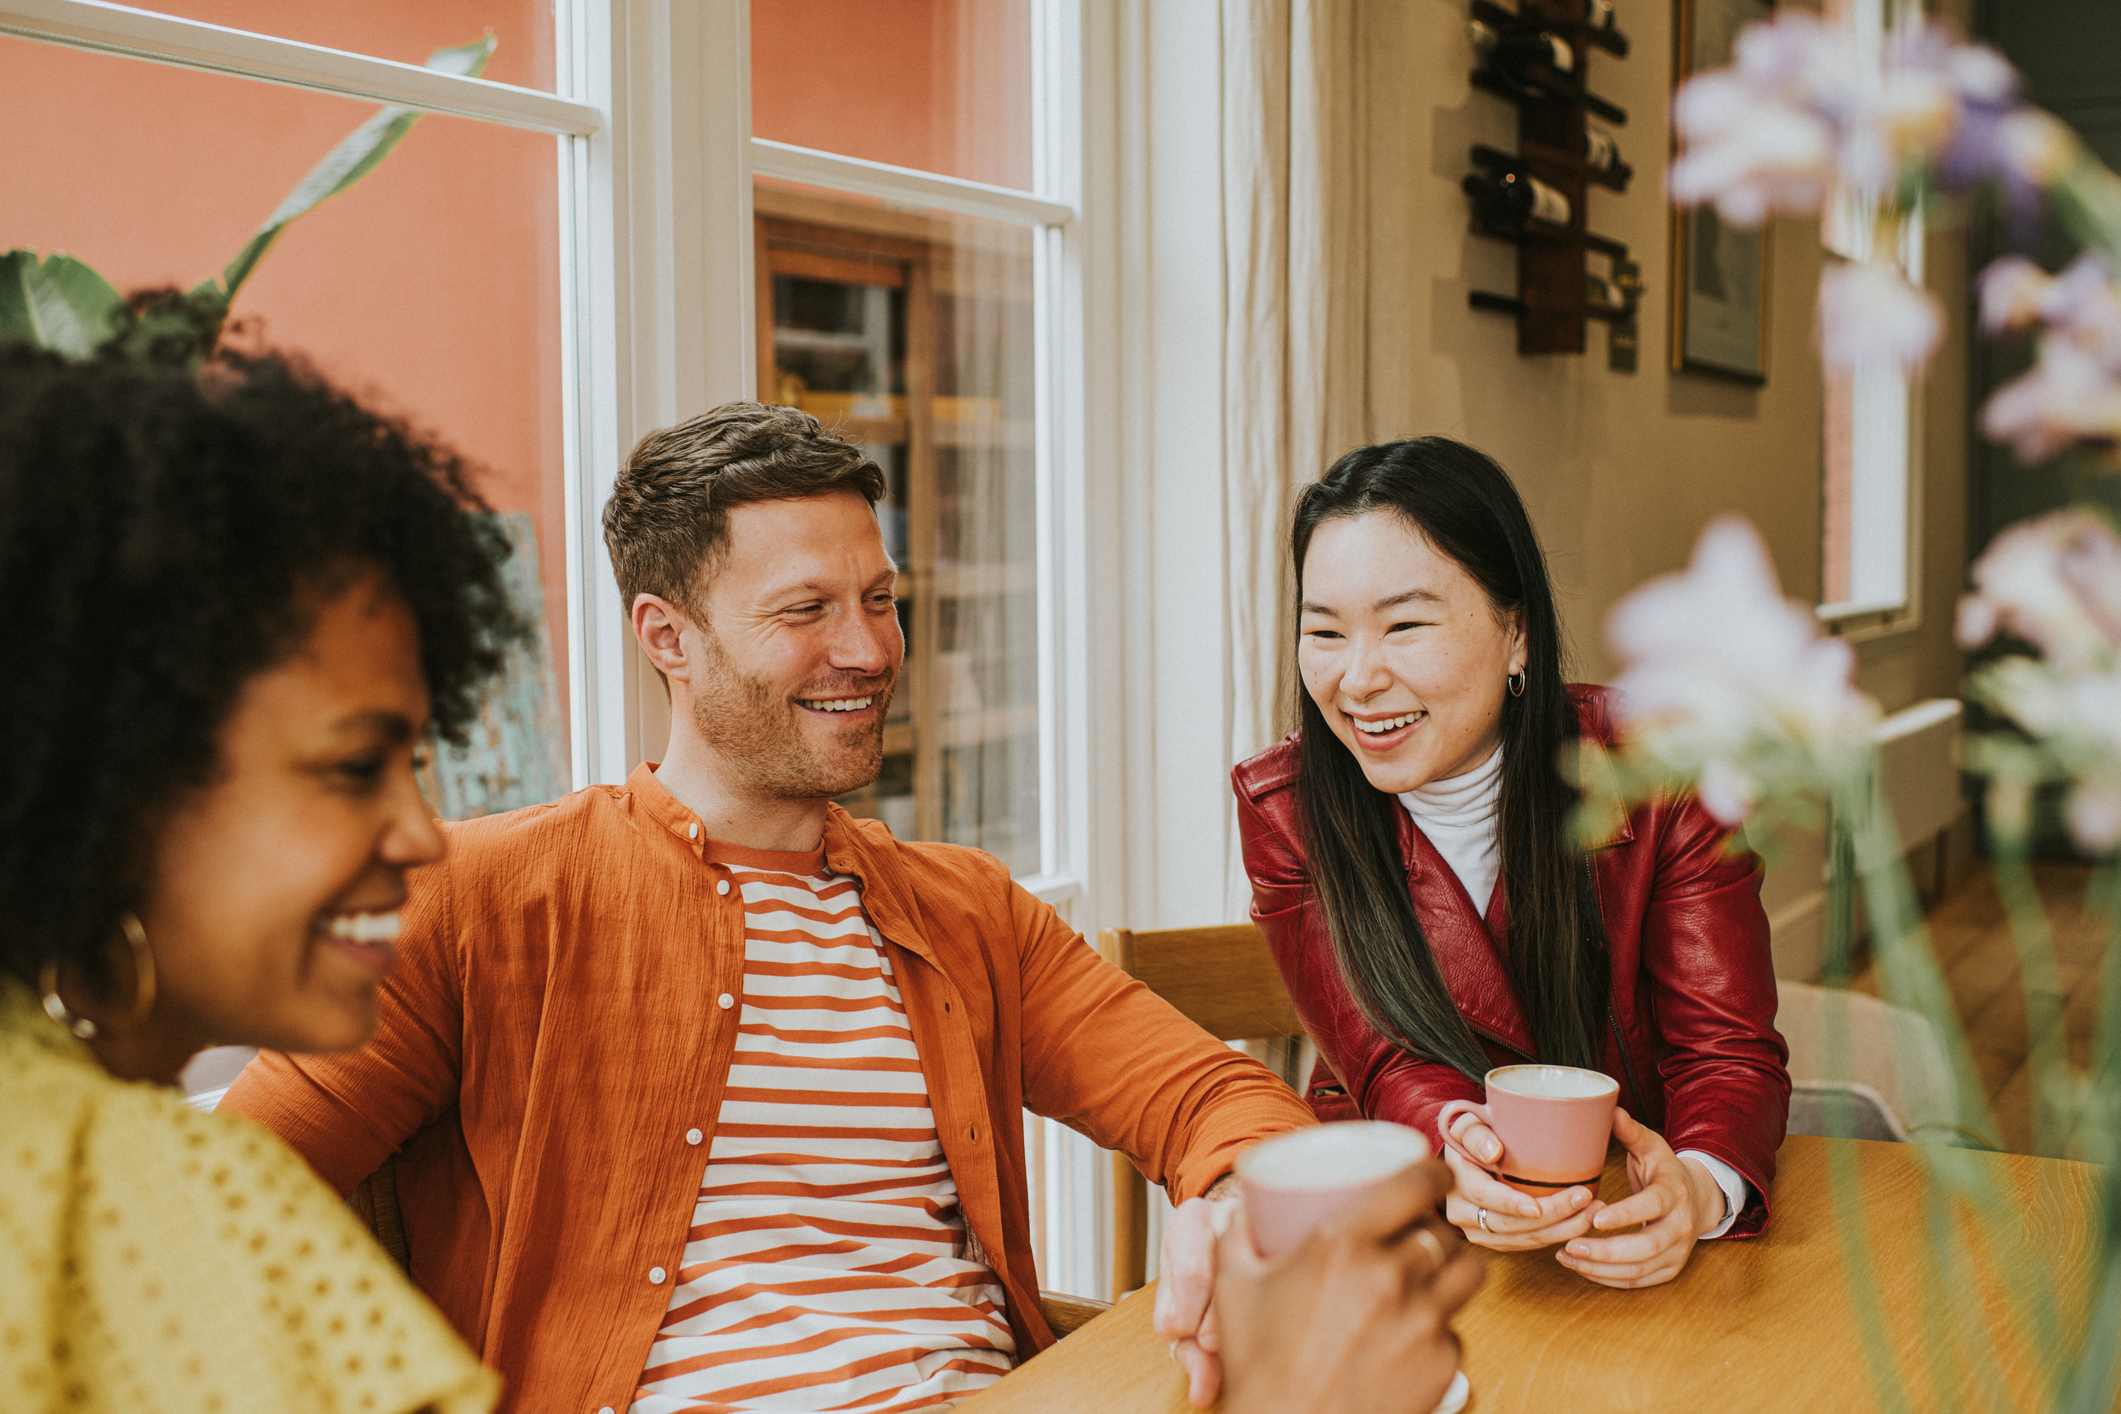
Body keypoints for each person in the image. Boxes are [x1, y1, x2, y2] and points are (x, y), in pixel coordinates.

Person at [225, 401, 1409, 1413]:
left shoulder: (968, 910)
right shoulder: (481, 899)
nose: (868, 648)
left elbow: (1206, 1094)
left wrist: (1236, 1198)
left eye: (880, 599)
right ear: (668, 638)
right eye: (806, 612)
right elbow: (221, 1195)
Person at [0, 339, 521, 1410]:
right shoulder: (179, 1205)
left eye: (414, 766)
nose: (423, 835)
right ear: (119, 778)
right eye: (353, 768)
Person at [1232, 436, 1791, 1289]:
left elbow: (1725, 1052)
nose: (1356, 678)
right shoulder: (1288, 811)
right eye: (1324, 632)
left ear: (1516, 634)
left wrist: (1700, 1190)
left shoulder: (1662, 765)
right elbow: (1383, 1057)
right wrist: (1459, 1146)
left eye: (1405, 625)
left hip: (1617, 1223)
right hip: (1402, 1215)